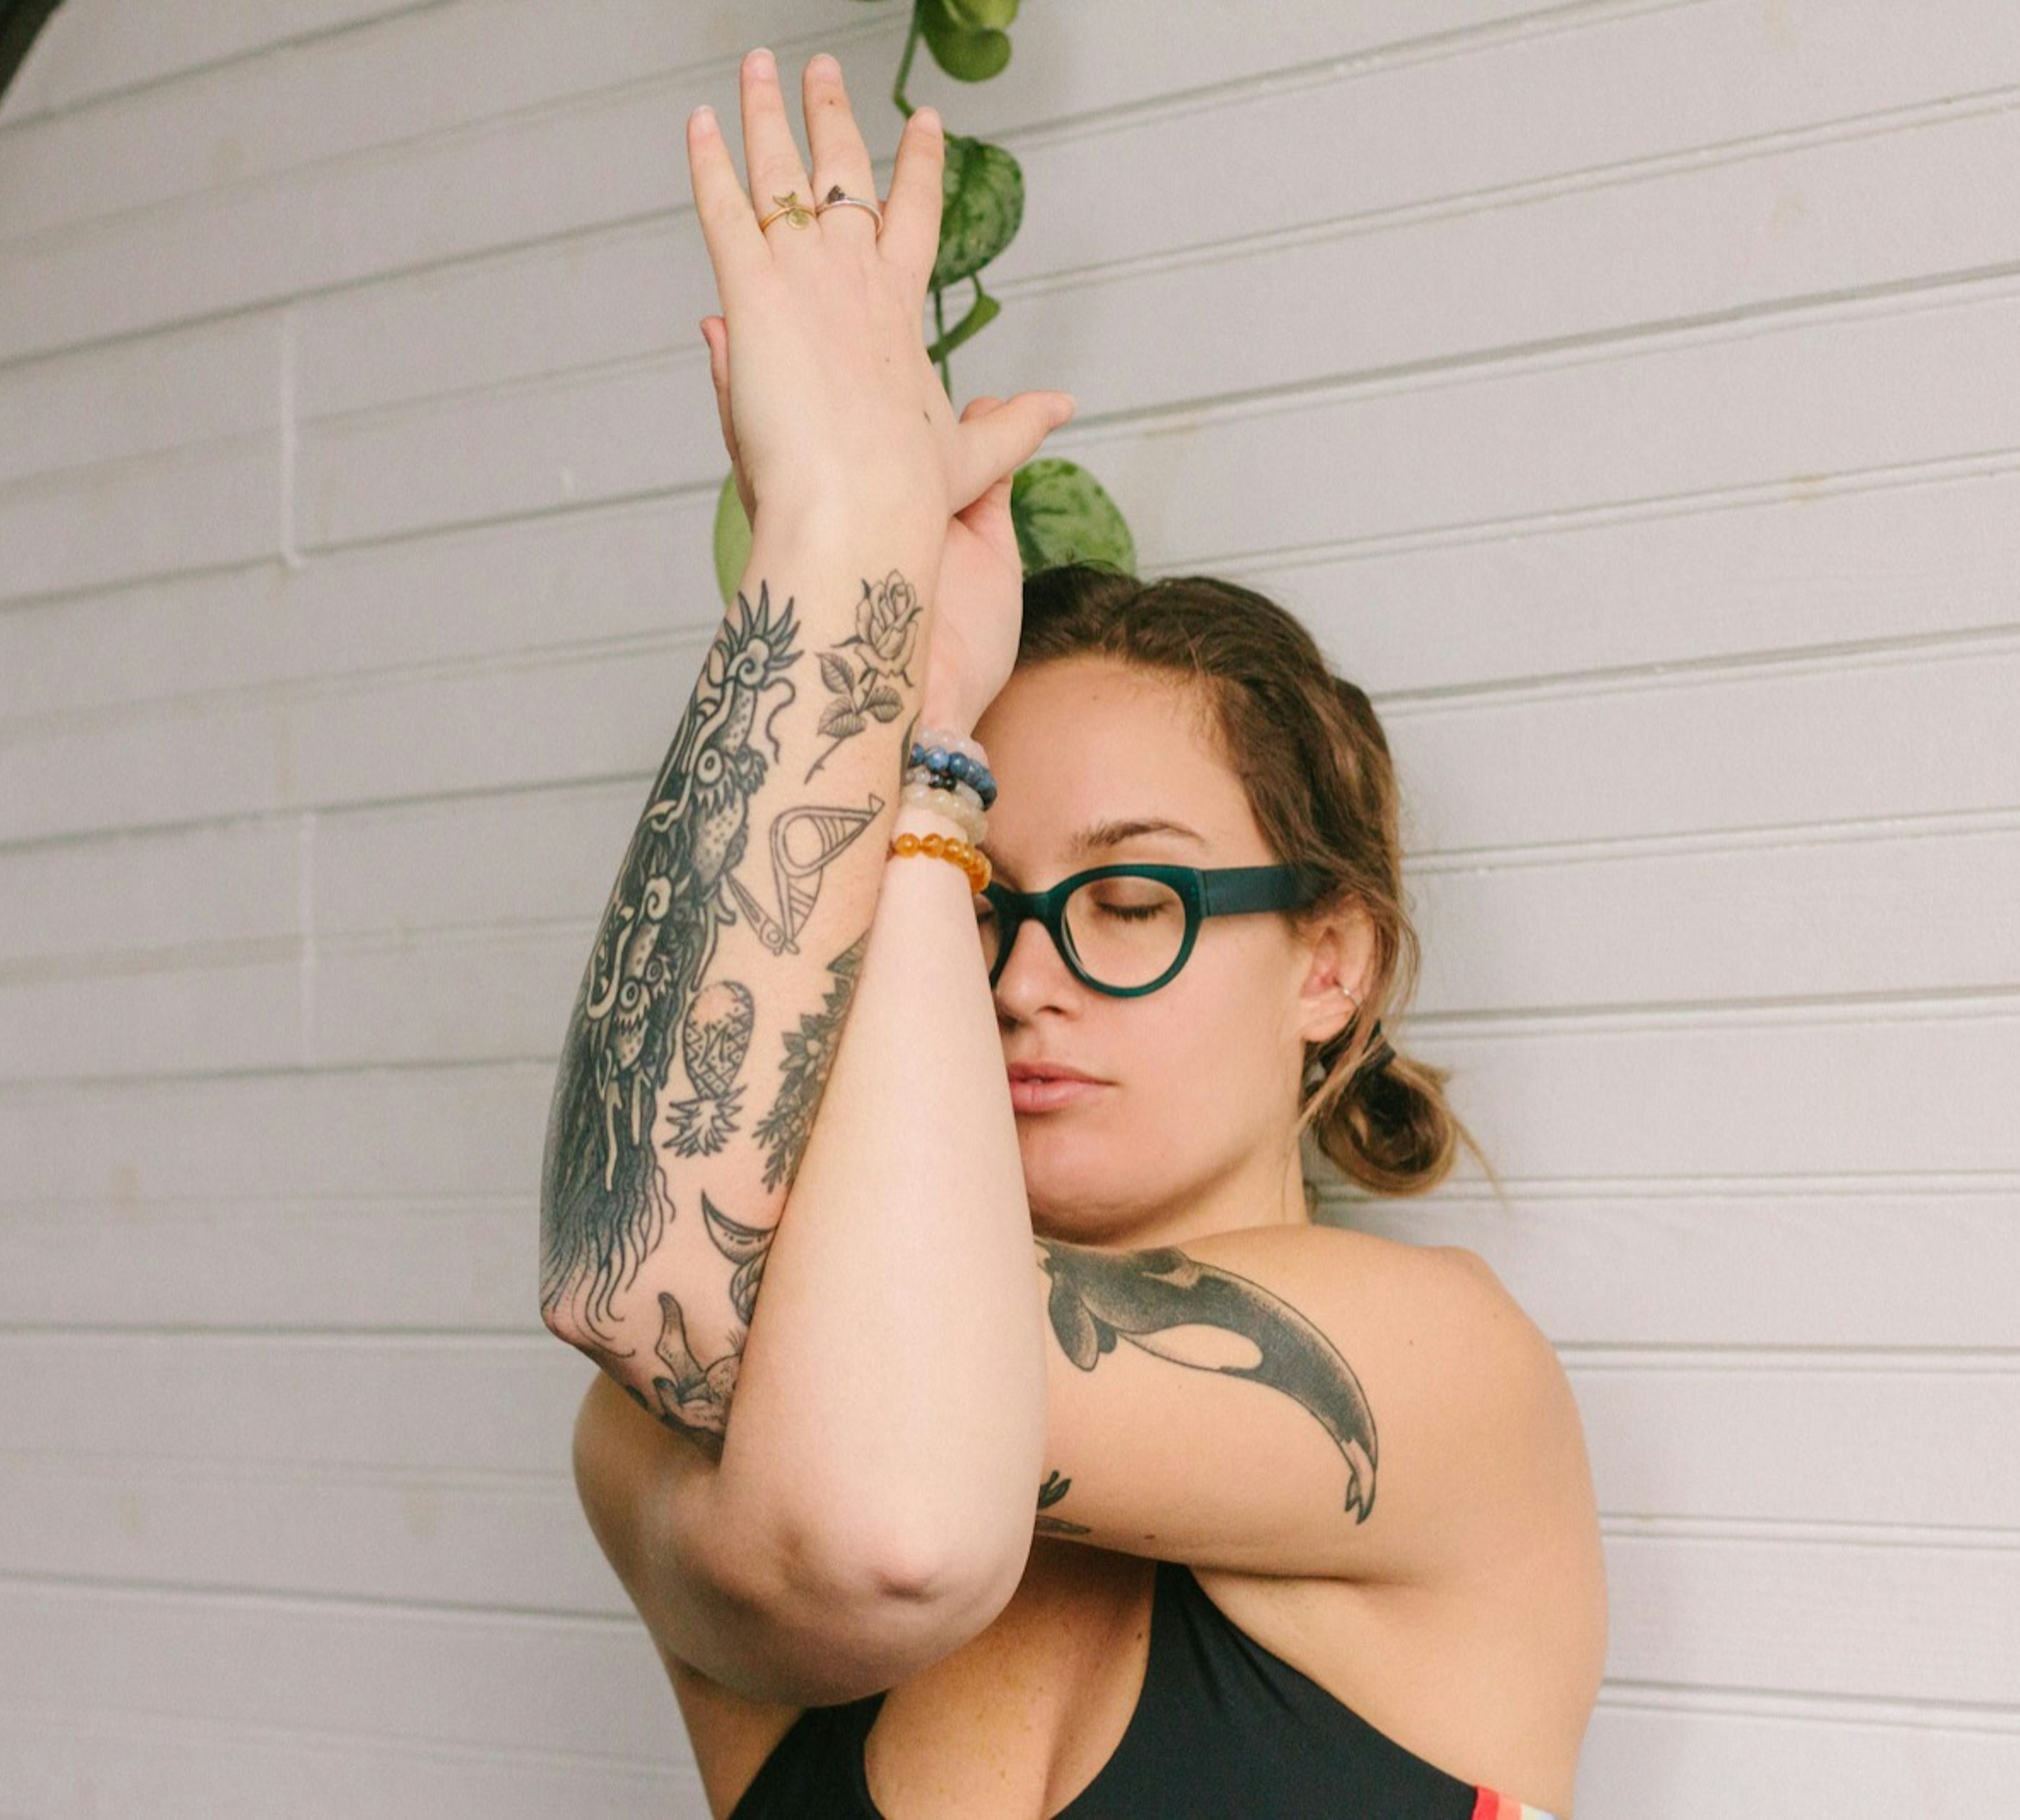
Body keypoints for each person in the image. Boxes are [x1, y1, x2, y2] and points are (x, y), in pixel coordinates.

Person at [546, 46, 1605, 1819]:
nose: (1026, 975)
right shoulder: (640, 1437)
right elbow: (625, 1267)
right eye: (974, 892)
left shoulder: (1449, 1381)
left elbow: (886, 1480)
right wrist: (842, 581)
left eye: (1132, 898)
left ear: (1329, 962)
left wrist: (873, 617)